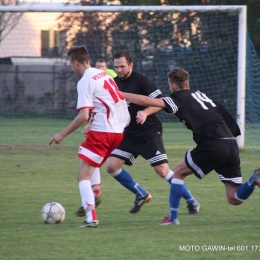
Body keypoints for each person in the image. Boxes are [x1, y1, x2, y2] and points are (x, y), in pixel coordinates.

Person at [121, 67, 260, 225]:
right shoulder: (199, 94)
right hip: (230, 143)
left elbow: (146, 101)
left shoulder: (177, 99)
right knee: (234, 198)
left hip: (212, 143)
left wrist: (119, 94)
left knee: (178, 173)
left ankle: (172, 218)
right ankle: (254, 179)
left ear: (173, 85)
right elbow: (219, 110)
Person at [105, 51, 199, 214]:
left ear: (130, 65)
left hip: (149, 132)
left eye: (122, 66)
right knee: (112, 166)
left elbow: (160, 103)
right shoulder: (113, 83)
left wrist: (145, 112)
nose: (119, 70)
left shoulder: (142, 80)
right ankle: (141, 194)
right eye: (116, 67)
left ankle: (192, 201)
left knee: (162, 170)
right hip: (129, 133)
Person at [49, 45, 130, 228]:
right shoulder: (103, 75)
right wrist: (92, 124)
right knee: (88, 159)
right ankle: (95, 193)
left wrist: (62, 134)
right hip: (117, 132)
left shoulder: (85, 81)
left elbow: (83, 115)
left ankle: (91, 217)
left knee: (83, 176)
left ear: (76, 63)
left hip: (103, 132)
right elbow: (106, 104)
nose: (72, 68)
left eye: (71, 64)